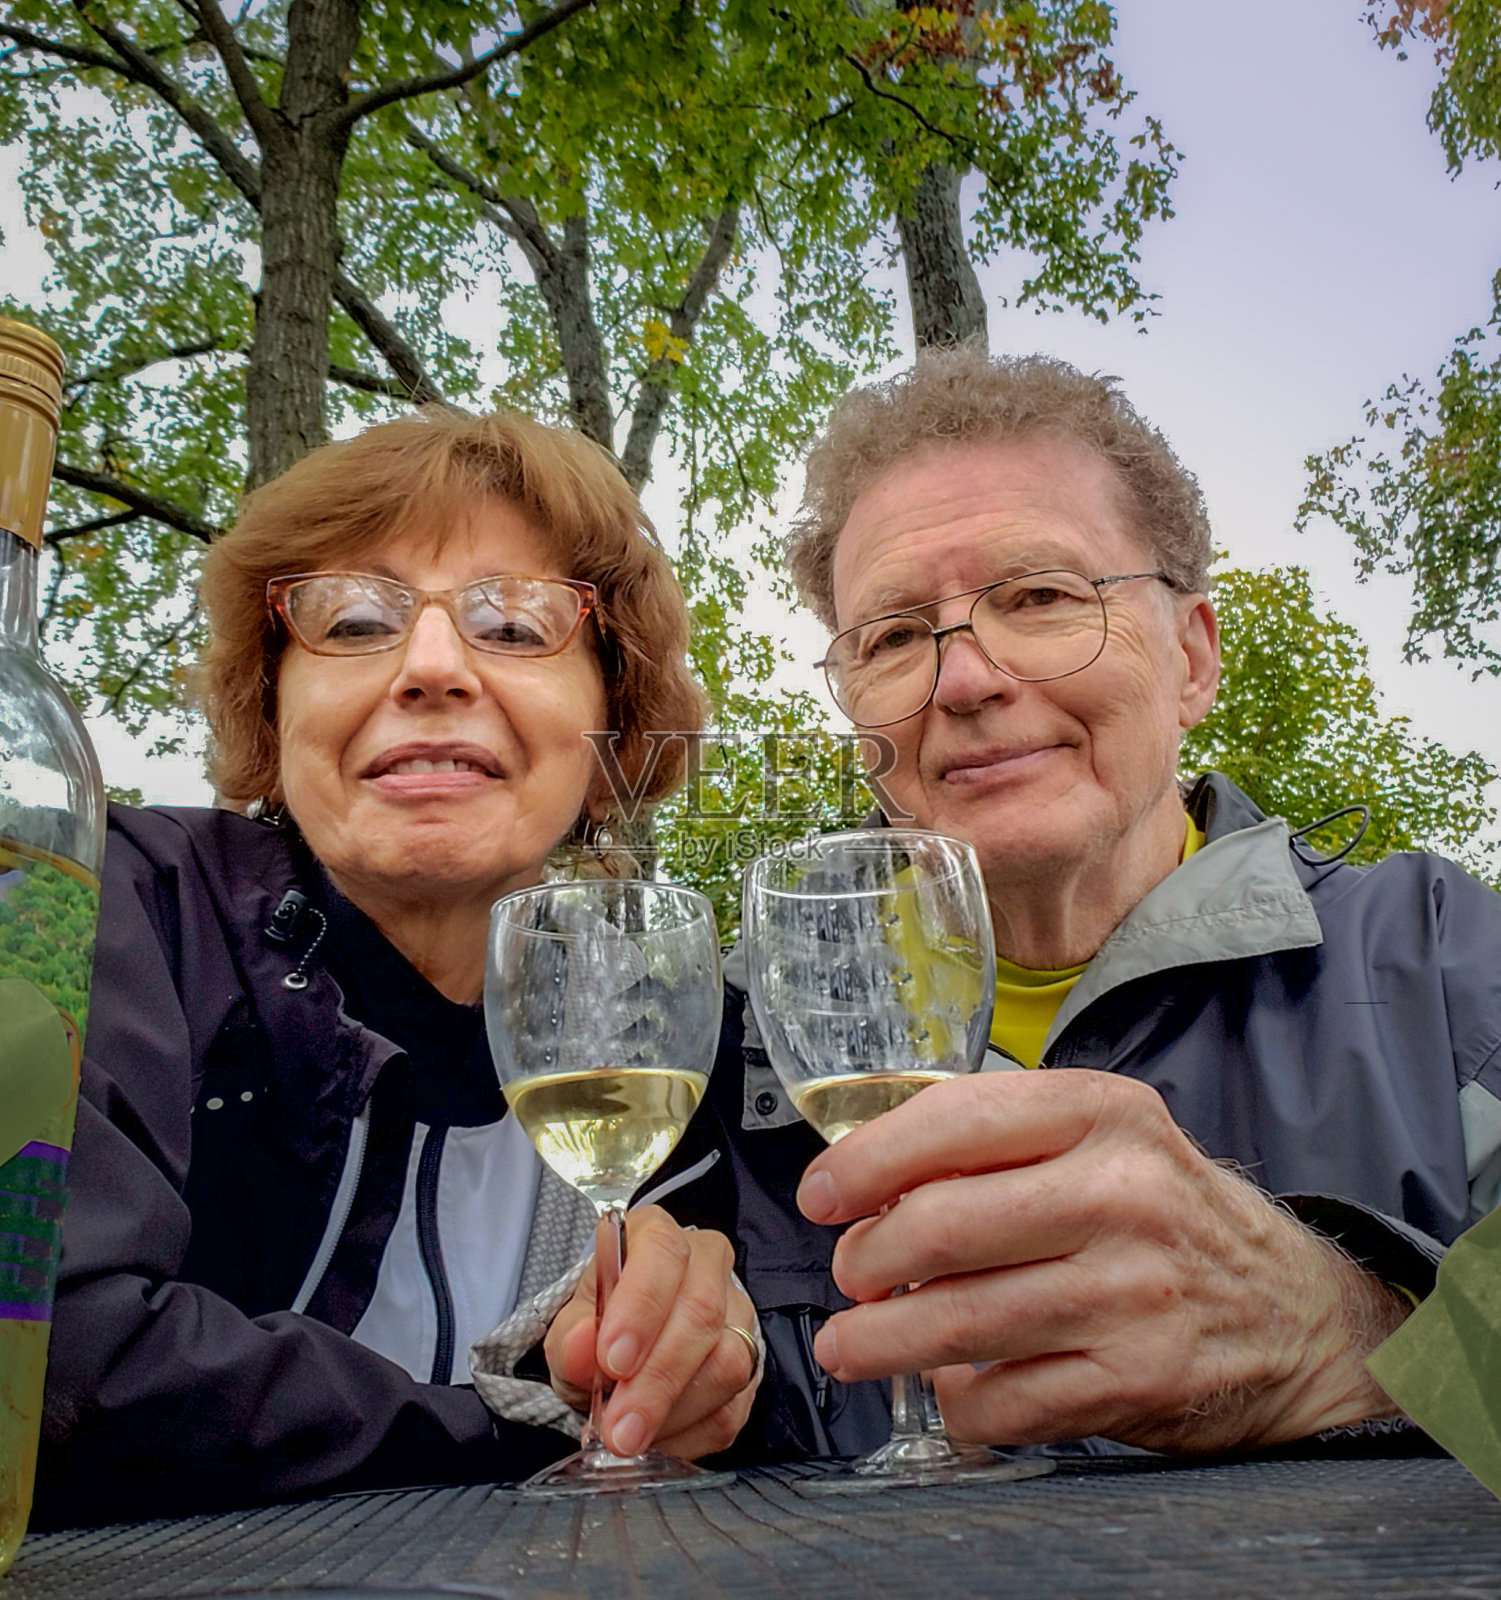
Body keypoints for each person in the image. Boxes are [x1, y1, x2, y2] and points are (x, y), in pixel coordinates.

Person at [719, 345, 1501, 1458]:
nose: (964, 678)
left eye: (1038, 596)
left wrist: (1351, 1334)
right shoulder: (730, 1037)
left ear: (1192, 658)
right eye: (892, 636)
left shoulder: (1443, 963)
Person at [36, 407, 770, 1520]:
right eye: (354, 620)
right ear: (272, 700)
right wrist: (515, 1419)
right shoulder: (122, 909)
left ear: (612, 719)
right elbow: (52, 1346)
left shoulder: (680, 1033)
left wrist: (721, 1360)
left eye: (517, 628)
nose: (431, 667)